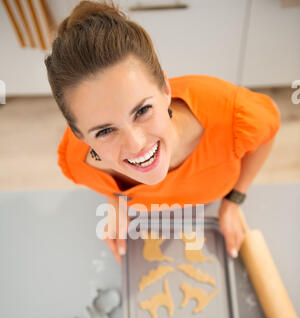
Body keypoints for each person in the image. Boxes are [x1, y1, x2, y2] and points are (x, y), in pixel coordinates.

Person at [45, 0, 280, 264]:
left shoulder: (235, 118)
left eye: (142, 110)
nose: (136, 145)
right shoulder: (78, 165)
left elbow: (267, 133)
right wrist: (117, 202)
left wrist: (233, 201)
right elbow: (110, 185)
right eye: (105, 130)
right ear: (79, 135)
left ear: (166, 90)